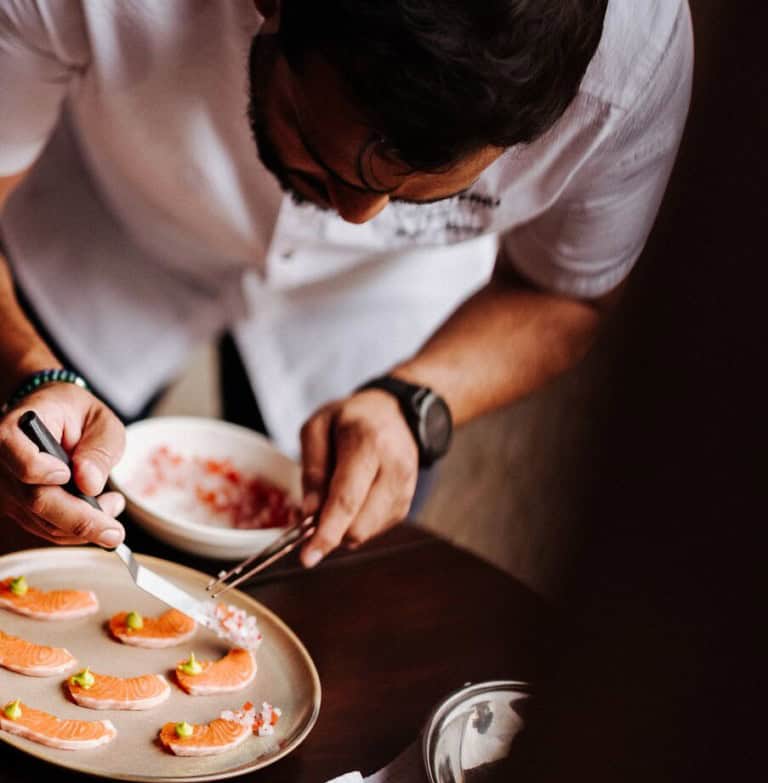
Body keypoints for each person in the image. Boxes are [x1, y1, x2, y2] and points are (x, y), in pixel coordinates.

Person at [0, 0, 692, 565]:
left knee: (330, 612)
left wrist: (415, 401)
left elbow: (567, 293)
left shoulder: (634, 69)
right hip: (105, 226)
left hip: (385, 307)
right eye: (328, 163)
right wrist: (29, 367)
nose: (358, 215)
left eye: (425, 193)